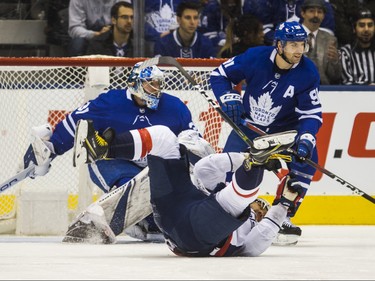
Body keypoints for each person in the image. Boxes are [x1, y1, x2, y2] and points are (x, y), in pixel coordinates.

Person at [19, 61, 198, 243]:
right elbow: (75, 122)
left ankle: (148, 222)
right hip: (112, 160)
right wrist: (52, 149)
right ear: (135, 82)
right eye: (150, 83)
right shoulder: (110, 102)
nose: (156, 88)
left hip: (152, 165)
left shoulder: (175, 107)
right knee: (129, 184)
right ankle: (111, 219)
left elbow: (191, 138)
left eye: (158, 83)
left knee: (160, 203)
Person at [71, 121, 303, 256]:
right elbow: (206, 166)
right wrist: (244, 158)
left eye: (261, 210)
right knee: (163, 138)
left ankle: (257, 162)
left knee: (234, 200)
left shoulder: (246, 229)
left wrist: (282, 205)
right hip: (174, 210)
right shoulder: (217, 190)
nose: (260, 208)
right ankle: (101, 149)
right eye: (261, 204)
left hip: (197, 237)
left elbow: (259, 240)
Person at [209, 21, 323, 245]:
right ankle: (234, 215)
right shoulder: (255, 57)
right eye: (293, 45)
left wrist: (306, 139)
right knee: (229, 168)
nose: (299, 50)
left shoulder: (308, 72)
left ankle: (282, 216)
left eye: (302, 44)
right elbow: (219, 75)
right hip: (249, 127)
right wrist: (227, 97)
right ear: (279, 45)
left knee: (307, 163)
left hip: (285, 130)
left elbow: (311, 114)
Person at [250, 0, 335, 46]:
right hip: (274, 47)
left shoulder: (322, 2)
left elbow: (327, 32)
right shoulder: (262, 2)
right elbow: (261, 30)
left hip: (312, 49)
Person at [300, 0, 342, 85]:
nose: (316, 15)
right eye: (311, 11)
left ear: (323, 16)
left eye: (319, 12)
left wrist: (334, 62)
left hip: (323, 89)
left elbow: (335, 77)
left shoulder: (330, 39)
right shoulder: (289, 35)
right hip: (295, 88)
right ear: (303, 13)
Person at [340, 8, 375, 85]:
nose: (366, 29)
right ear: (354, 29)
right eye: (362, 25)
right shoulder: (345, 53)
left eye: (370, 25)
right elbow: (347, 83)